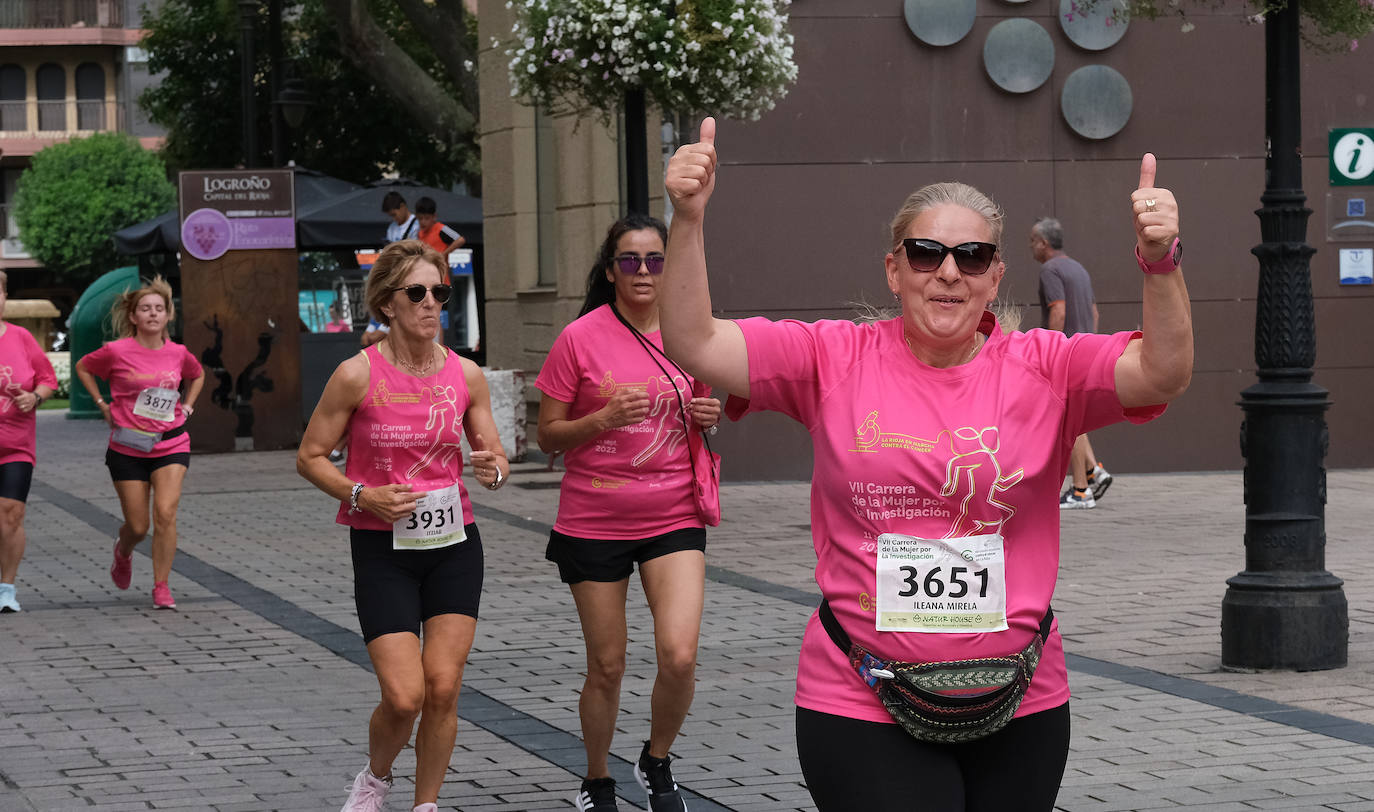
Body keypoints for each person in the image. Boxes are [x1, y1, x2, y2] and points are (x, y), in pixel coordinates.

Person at [660, 118, 1192, 811]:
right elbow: (694, 341)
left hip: (1021, 700)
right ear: (894, 267)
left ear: (995, 273)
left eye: (971, 256)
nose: (948, 272)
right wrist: (688, 219)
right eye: (926, 253)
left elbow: (1163, 372)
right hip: (861, 698)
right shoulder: (831, 357)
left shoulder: (1046, 366)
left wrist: (1161, 259)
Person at [297, 239, 508, 812]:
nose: (430, 303)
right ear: (387, 303)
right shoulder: (355, 374)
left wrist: (494, 465)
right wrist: (362, 494)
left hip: (454, 543)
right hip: (382, 548)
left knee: (443, 687)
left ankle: (426, 804)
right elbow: (310, 456)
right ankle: (376, 777)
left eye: (438, 292)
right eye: (416, 293)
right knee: (404, 694)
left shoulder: (466, 373)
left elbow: (491, 452)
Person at [535, 213, 721, 812]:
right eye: (630, 260)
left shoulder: (690, 332)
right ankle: (596, 779)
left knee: (680, 653)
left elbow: (722, 393)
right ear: (611, 270)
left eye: (656, 260)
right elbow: (547, 437)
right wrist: (602, 420)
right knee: (608, 665)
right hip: (594, 520)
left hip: (673, 512)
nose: (644, 271)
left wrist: (709, 414)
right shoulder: (580, 338)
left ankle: (657, 759)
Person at [74, 276, 205, 610]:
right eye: (145, 309)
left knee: (165, 513)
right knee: (138, 525)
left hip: (171, 442)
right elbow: (83, 367)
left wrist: (187, 405)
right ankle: (124, 550)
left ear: (168, 315)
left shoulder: (178, 352)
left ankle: (161, 586)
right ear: (133, 316)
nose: (152, 314)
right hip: (127, 447)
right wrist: (102, 405)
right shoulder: (116, 351)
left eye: (159, 309)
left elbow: (197, 373)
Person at [1030, 218, 1112, 509]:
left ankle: (1080, 491)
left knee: (1068, 420)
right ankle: (1094, 472)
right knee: (1076, 417)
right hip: (1087, 351)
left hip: (1064, 354)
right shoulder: (1078, 268)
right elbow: (1094, 312)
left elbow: (1059, 311)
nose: (1032, 247)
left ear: (1044, 243)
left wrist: (1050, 349)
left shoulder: (1050, 270)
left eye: (1033, 241)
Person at [0, 270, 58, 613]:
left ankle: (6, 588)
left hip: (16, 443)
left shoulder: (21, 338)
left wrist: (34, 397)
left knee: (11, 513)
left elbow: (47, 379)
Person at [414, 196, 466, 264]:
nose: (423, 222)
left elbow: (461, 240)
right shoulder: (419, 232)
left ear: (434, 217)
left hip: (441, 272)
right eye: (420, 218)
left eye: (427, 218)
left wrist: (444, 254)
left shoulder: (441, 228)